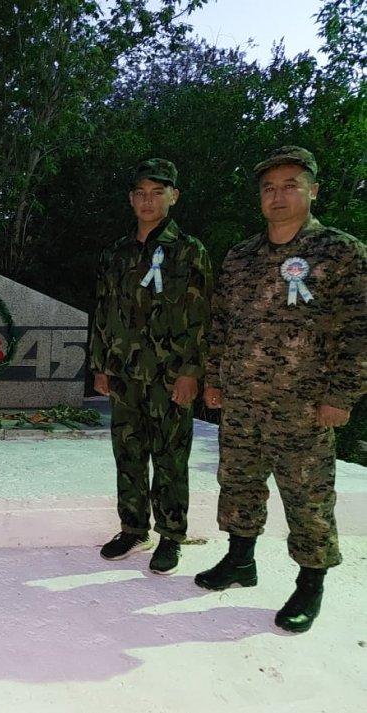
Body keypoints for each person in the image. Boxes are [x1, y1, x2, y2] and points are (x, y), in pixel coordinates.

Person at [195, 146, 366, 632]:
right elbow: (222, 323)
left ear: (314, 191)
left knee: (307, 495)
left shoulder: (341, 252)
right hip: (243, 399)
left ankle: (310, 582)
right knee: (238, 482)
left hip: (305, 405)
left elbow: (359, 331)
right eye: (269, 187)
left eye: (291, 185)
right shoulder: (241, 256)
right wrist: (214, 378)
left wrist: (342, 396)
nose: (278, 196)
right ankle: (240, 560)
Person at [90, 158, 214, 574]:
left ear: (173, 196)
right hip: (124, 373)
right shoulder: (115, 253)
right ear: (131, 199)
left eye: (157, 192)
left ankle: (171, 535)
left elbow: (202, 317)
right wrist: (101, 365)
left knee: (170, 458)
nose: (148, 201)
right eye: (141, 193)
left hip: (169, 376)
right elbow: (102, 310)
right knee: (127, 453)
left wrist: (191, 372)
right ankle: (133, 528)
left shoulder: (189, 250)